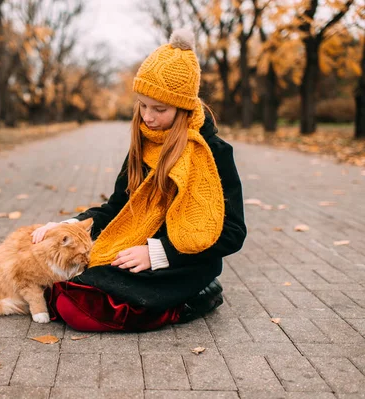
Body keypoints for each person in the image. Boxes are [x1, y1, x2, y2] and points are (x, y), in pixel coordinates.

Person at [31, 28, 247, 332]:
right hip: (134, 249)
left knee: (77, 307)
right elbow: (118, 208)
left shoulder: (214, 152)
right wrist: (70, 225)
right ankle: (161, 298)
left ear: (184, 107)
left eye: (160, 109)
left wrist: (158, 253)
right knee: (60, 289)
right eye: (143, 105)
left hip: (184, 263)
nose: (148, 117)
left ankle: (194, 299)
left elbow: (233, 232)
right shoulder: (142, 146)